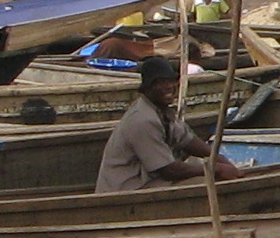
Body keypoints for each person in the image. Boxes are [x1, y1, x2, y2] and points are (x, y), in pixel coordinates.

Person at [94, 55, 247, 192]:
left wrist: (218, 158)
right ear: (147, 88)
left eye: (171, 81)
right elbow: (168, 171)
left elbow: (187, 140)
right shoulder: (143, 119)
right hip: (128, 191)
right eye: (160, 82)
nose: (169, 86)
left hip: (151, 183)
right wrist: (216, 169)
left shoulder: (163, 112)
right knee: (207, 185)